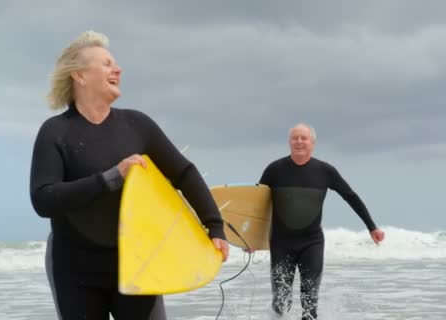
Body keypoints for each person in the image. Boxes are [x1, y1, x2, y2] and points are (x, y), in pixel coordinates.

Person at [30, 30, 229, 320]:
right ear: (80, 76)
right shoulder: (56, 132)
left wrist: (214, 226)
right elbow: (43, 198)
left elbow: (184, 173)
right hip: (74, 268)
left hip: (138, 263)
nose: (118, 69)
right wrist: (110, 178)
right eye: (107, 63)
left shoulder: (137, 126)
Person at [259, 123, 385, 319]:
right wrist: (249, 238)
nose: (299, 141)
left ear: (313, 143)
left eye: (304, 138)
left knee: (309, 302)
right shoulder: (274, 170)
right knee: (281, 301)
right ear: (289, 142)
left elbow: (350, 196)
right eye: (295, 138)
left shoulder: (325, 171)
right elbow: (258, 205)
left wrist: (371, 227)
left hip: (312, 243)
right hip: (281, 243)